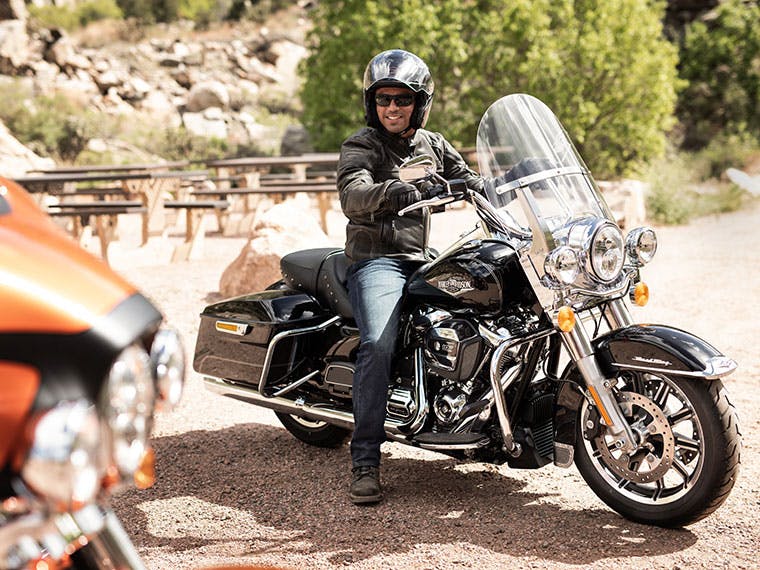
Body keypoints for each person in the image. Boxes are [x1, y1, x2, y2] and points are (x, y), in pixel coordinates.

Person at [337, 49, 483, 504]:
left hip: (422, 258)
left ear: (420, 103)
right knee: (379, 344)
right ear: (372, 104)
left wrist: (502, 182)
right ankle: (365, 460)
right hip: (377, 260)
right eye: (384, 100)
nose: (393, 108)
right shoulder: (362, 146)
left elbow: (470, 177)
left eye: (402, 99)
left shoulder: (433, 144)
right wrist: (396, 190)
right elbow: (353, 193)